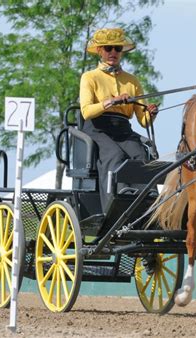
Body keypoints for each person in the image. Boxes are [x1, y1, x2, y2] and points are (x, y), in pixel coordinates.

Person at [80, 27, 158, 211]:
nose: (113, 52)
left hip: (123, 129)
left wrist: (151, 113)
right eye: (108, 48)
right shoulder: (90, 77)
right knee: (115, 155)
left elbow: (143, 120)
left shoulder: (132, 80)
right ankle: (115, 202)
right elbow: (86, 112)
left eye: (117, 48)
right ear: (99, 51)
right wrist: (111, 101)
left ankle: (148, 196)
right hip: (97, 128)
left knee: (140, 153)